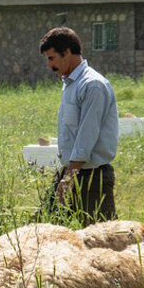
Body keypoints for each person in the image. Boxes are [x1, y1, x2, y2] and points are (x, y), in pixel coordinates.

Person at [39, 26, 119, 226]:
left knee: (100, 241)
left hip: (92, 177)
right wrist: (66, 175)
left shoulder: (92, 85)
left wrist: (68, 179)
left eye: (52, 58)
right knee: (46, 232)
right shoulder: (71, 84)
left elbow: (86, 137)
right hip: (71, 171)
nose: (49, 65)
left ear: (67, 52)